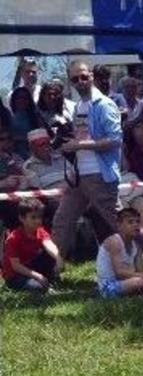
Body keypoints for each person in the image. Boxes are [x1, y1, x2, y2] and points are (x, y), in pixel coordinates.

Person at [50, 62, 123, 257]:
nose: (80, 82)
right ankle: (52, 271)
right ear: (71, 82)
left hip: (100, 175)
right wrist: (67, 144)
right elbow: (81, 138)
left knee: (117, 224)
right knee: (62, 221)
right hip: (79, 176)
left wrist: (79, 145)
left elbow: (115, 140)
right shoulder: (78, 107)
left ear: (91, 76)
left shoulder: (105, 105)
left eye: (83, 77)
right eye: (75, 79)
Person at [95, 206, 143, 298]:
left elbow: (140, 270)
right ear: (119, 225)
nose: (135, 225)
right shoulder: (114, 242)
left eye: (137, 222)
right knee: (139, 281)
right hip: (110, 286)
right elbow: (120, 273)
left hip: (130, 280)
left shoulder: (136, 244)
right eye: (130, 222)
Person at [3, 199, 62, 293]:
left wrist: (58, 257)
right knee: (37, 287)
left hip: (30, 266)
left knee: (51, 255)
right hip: (15, 275)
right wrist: (37, 276)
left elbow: (48, 244)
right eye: (33, 217)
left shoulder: (40, 231)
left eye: (39, 217)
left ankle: (49, 281)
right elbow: (16, 266)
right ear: (22, 218)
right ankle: (43, 284)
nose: (38, 221)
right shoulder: (14, 238)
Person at [7, 87, 42, 157]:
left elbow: (42, 135)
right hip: (14, 156)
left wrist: (21, 138)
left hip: (34, 154)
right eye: (19, 98)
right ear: (14, 100)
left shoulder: (35, 116)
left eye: (25, 98)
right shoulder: (8, 117)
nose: (22, 100)